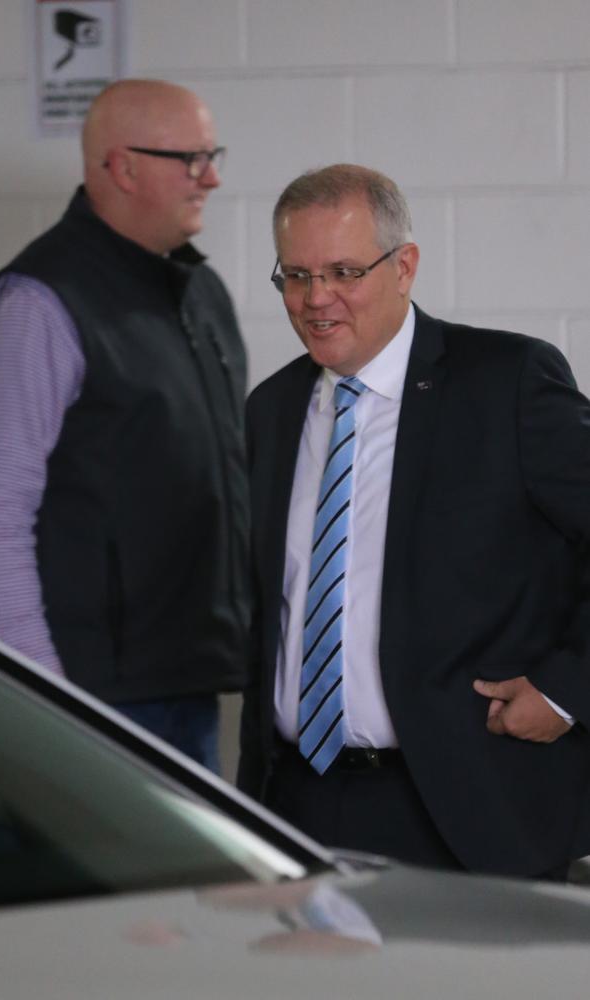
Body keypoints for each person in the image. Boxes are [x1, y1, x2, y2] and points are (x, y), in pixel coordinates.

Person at [237, 163, 590, 877]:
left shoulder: (506, 382)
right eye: (296, 276)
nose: (316, 299)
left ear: (405, 266)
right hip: (297, 805)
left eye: (343, 271)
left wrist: (568, 687)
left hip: (468, 807)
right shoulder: (272, 410)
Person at [0, 79, 250, 772]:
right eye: (189, 158)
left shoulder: (198, 292)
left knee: (185, 885)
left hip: (187, 682)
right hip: (86, 700)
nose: (210, 176)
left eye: (213, 155)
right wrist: (37, 697)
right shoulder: (37, 303)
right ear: (120, 166)